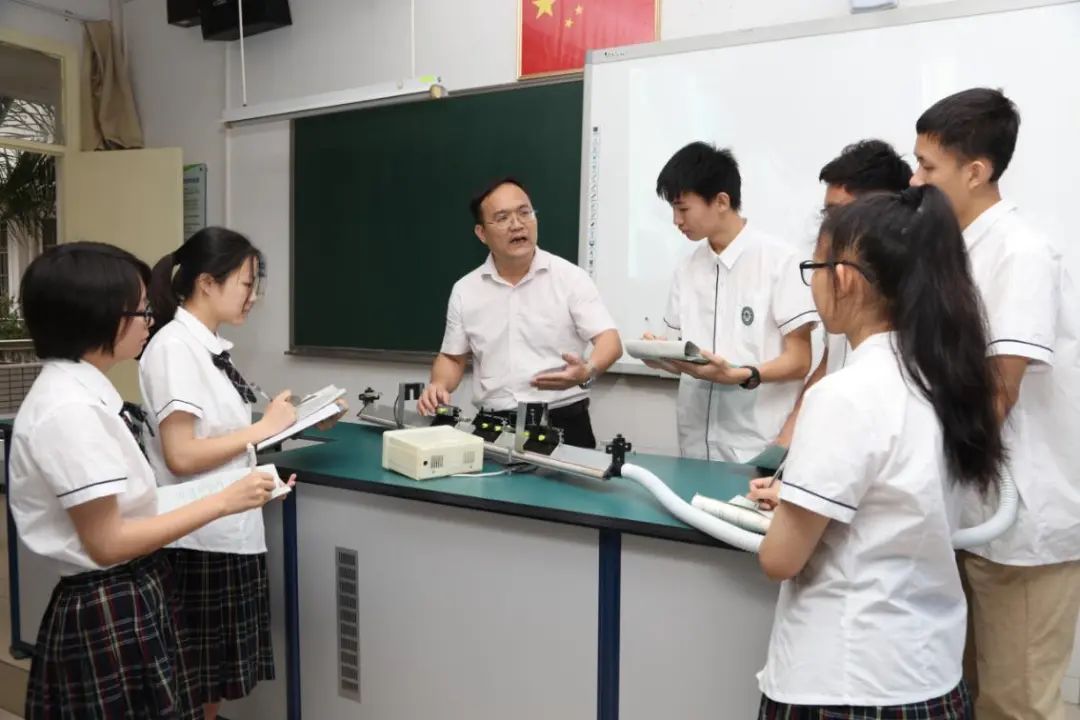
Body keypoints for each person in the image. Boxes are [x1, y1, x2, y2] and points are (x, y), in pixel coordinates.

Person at [10, 241, 291, 719]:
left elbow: (134, 505)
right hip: (108, 600)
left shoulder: (85, 395)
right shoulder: (68, 411)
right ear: (99, 317)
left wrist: (241, 490)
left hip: (129, 591)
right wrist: (223, 500)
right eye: (140, 310)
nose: (148, 319)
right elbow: (108, 542)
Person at [755, 186, 1002, 719]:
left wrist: (790, 515)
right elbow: (899, 504)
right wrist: (801, 499)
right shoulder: (948, 381)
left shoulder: (845, 394)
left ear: (844, 277)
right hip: (931, 675)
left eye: (814, 268)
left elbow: (780, 559)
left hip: (843, 683)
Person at [912, 87, 1080, 720]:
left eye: (928, 165)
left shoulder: (1021, 252)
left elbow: (999, 392)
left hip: (1022, 528)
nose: (915, 178)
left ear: (975, 172)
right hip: (969, 515)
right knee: (961, 693)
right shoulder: (956, 250)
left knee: (1016, 705)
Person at [141, 227, 342, 720]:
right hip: (197, 540)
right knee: (193, 683)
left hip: (225, 530)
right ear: (207, 282)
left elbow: (221, 439)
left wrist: (285, 428)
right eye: (247, 283)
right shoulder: (174, 348)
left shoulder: (207, 347)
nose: (254, 296)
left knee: (209, 683)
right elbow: (181, 454)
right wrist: (262, 429)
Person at [417, 177, 622, 449]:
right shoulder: (465, 290)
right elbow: (453, 358)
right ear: (481, 233)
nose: (517, 224)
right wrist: (439, 385)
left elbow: (610, 340)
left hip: (563, 422)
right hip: (492, 426)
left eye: (525, 212)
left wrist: (587, 369)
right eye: (502, 218)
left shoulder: (570, 278)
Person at [646, 142, 817, 462]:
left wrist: (743, 374)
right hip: (694, 444)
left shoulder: (780, 262)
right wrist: (658, 354)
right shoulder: (687, 268)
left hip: (756, 446)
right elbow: (678, 350)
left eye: (683, 209)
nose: (676, 220)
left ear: (721, 201)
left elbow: (799, 361)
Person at [771, 139, 913, 449]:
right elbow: (829, 363)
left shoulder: (912, 292)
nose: (828, 224)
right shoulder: (839, 302)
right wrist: (783, 445)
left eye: (837, 213)